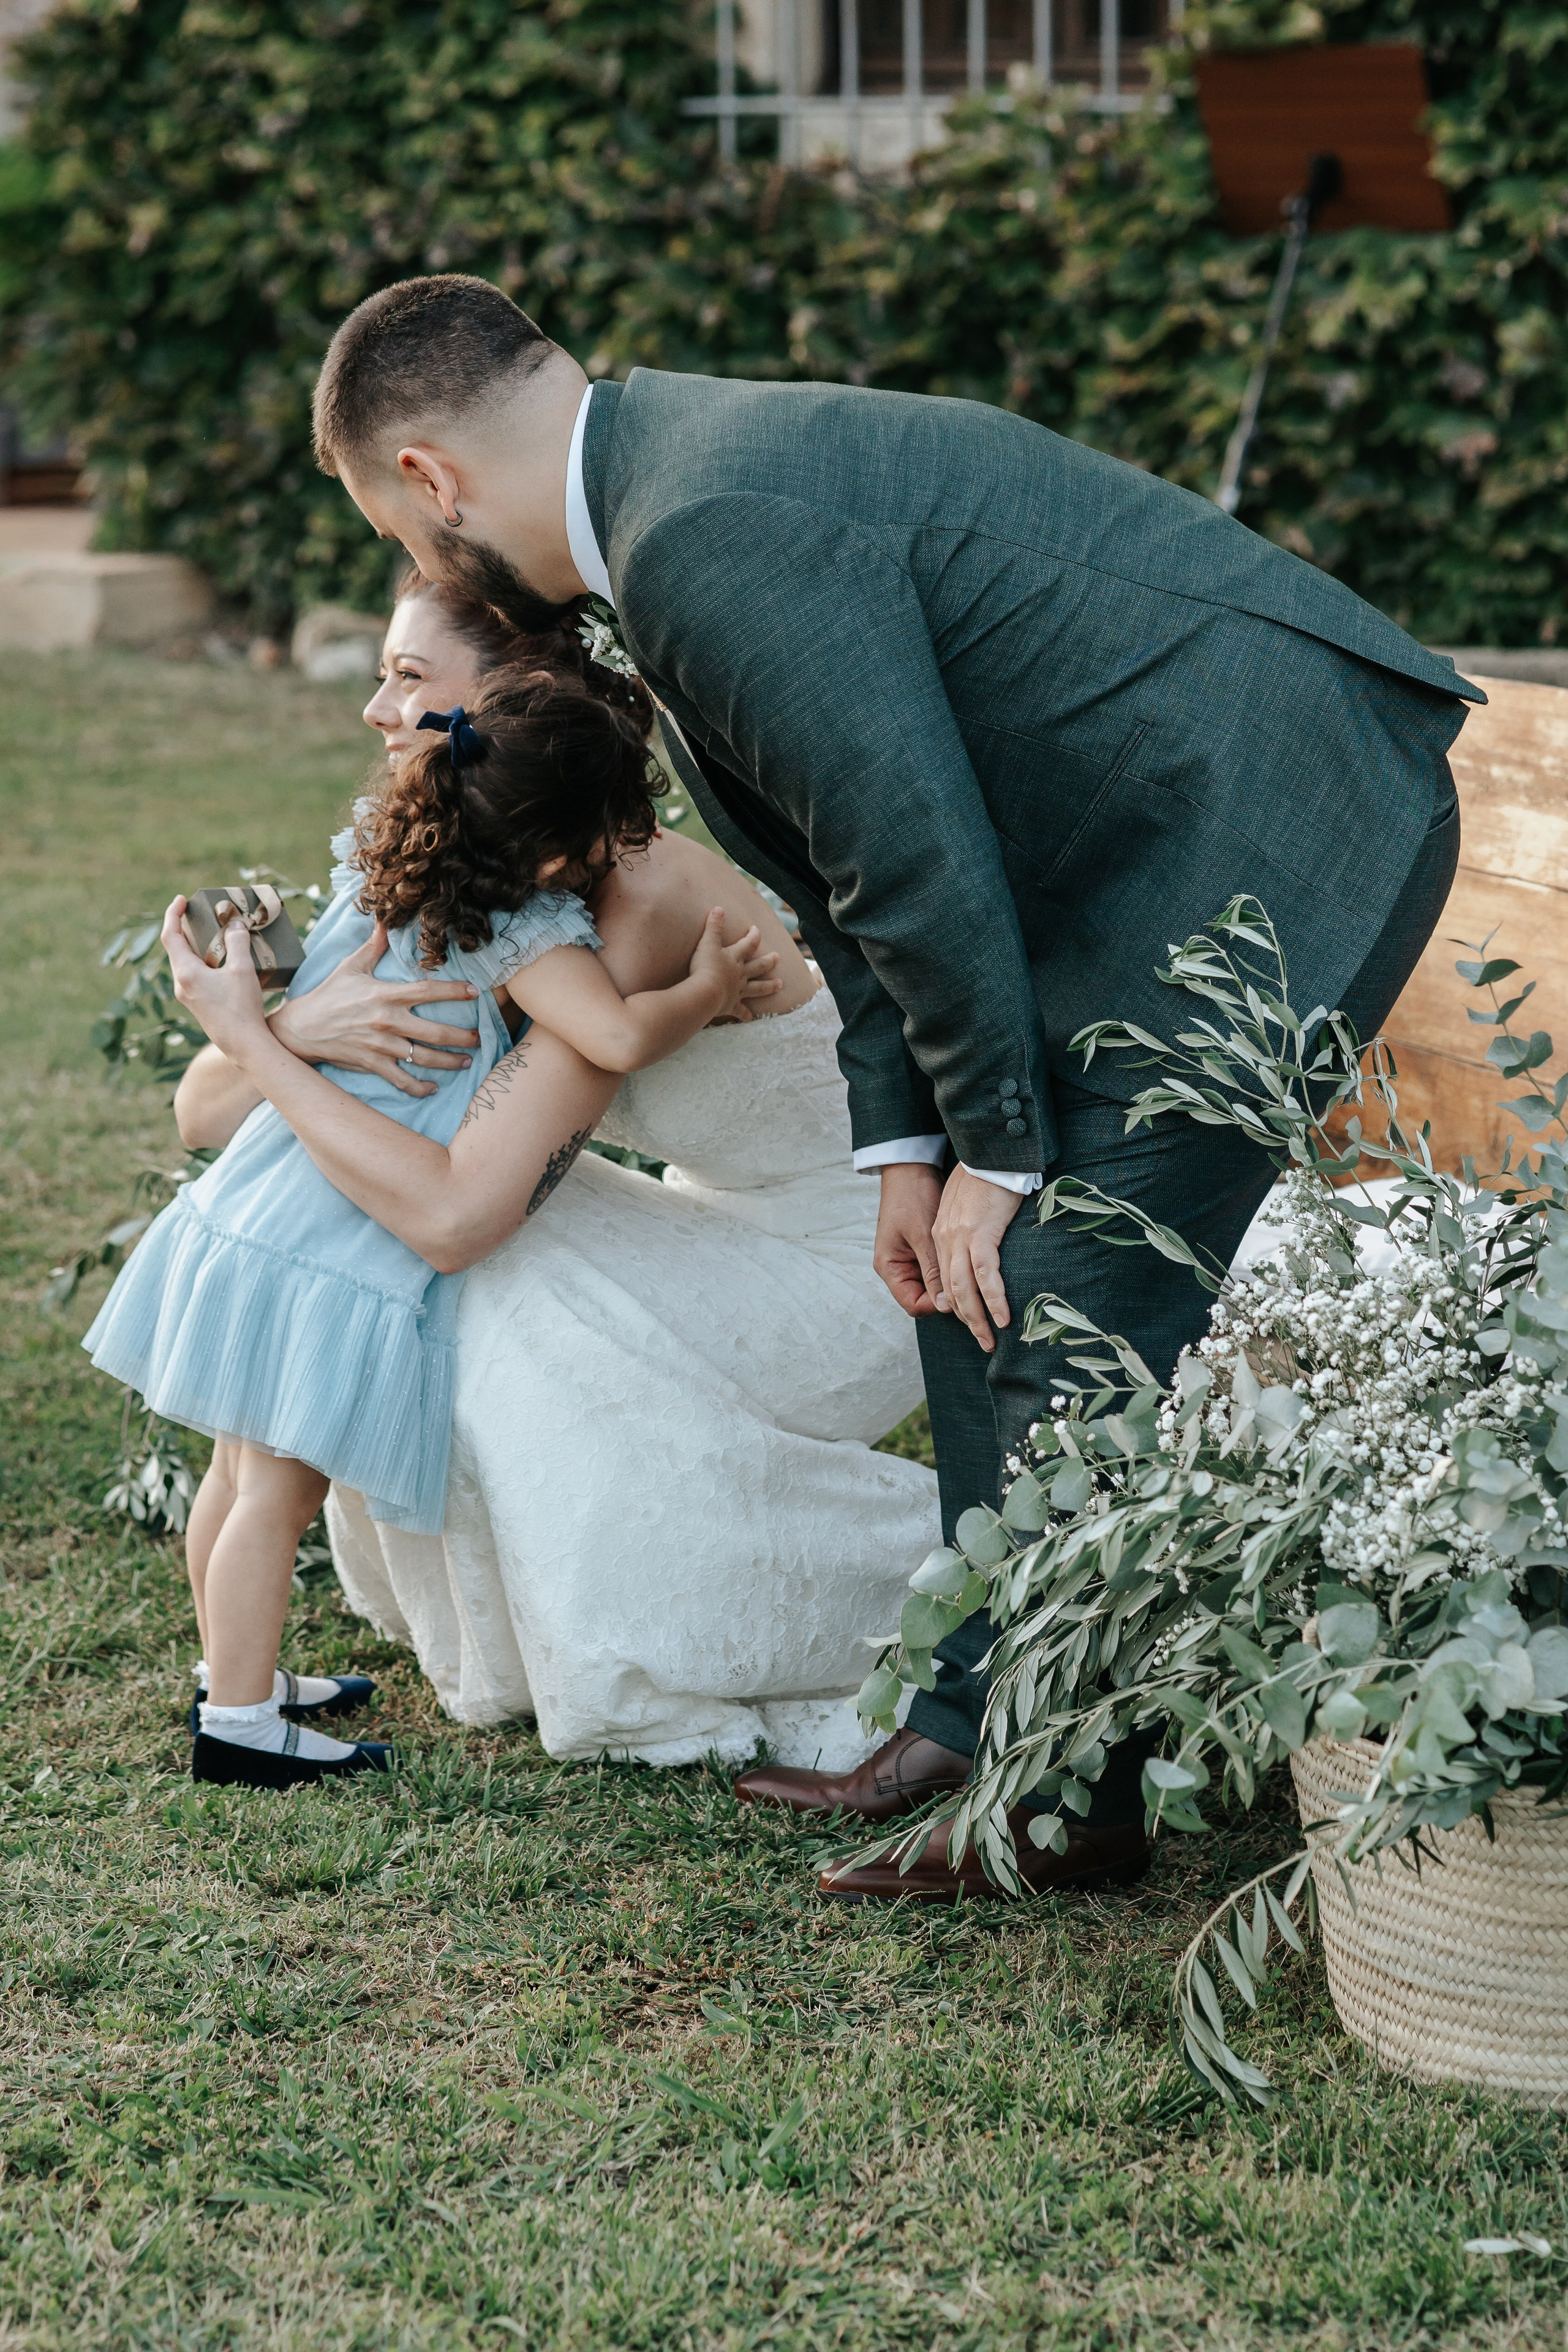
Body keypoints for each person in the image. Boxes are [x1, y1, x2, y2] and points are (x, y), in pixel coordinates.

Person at [306, 271, 1482, 1902]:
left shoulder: (700, 526)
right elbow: (847, 882)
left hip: (1275, 814)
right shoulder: (660, 508)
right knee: (954, 1275)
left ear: (429, 478)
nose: (428, 570)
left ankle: (1061, 1808)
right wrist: (914, 1155)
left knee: (1059, 1287)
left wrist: (999, 1151)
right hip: (1127, 840)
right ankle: (963, 1720)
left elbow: (915, 859)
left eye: (398, 533)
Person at [167, 571, 941, 1774]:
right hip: (717, 1219)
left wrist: (264, 1045)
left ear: (519, 697)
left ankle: (693, 1611)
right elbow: (202, 1116)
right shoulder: (481, 836)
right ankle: (276, 1677)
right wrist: (297, 1030)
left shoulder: (623, 896)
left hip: (849, 1264)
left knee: (476, 1279)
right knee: (407, 1256)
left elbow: (457, 1212)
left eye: (410, 679)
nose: (378, 710)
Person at [85, 665, 777, 1789]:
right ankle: (242, 1727)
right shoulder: (527, 932)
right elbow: (613, 1037)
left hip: (267, 1199)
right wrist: (704, 990)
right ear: (559, 854)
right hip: (334, 1237)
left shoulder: (382, 865)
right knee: (279, 1492)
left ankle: (229, 1678)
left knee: (236, 1472)